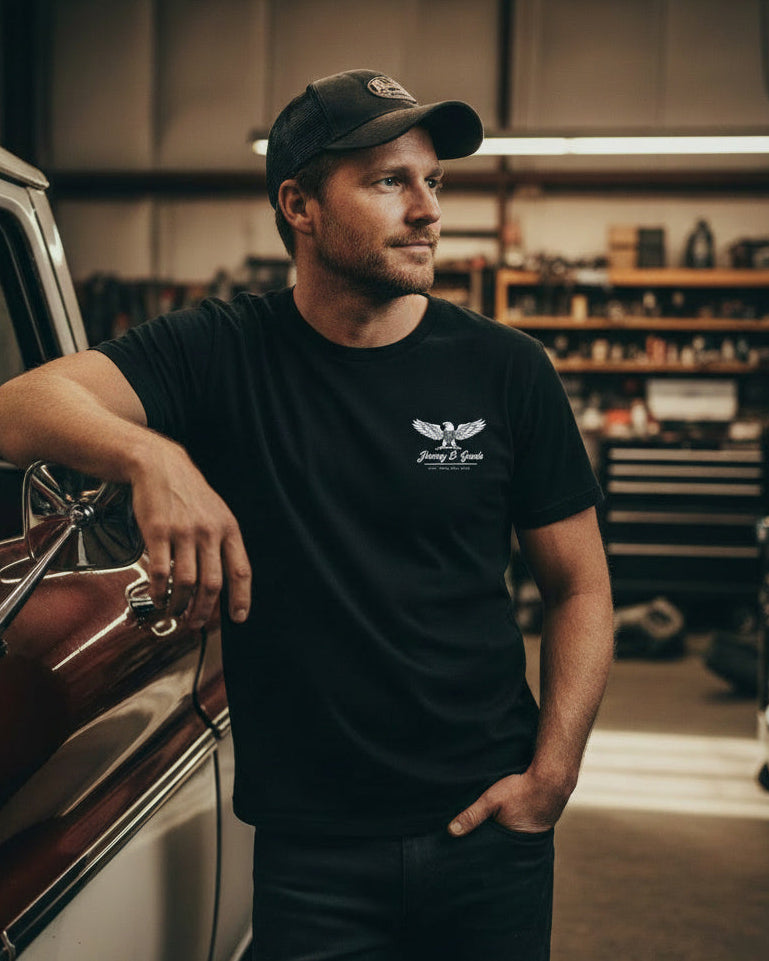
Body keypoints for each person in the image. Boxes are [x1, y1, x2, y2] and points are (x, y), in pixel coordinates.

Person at [0, 69, 614, 960]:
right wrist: (150, 454)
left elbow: (580, 585)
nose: (427, 209)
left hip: (488, 832)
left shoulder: (506, 371)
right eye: (387, 181)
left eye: (433, 181)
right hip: (311, 854)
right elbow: (19, 406)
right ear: (299, 204)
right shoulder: (216, 351)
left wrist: (550, 778)